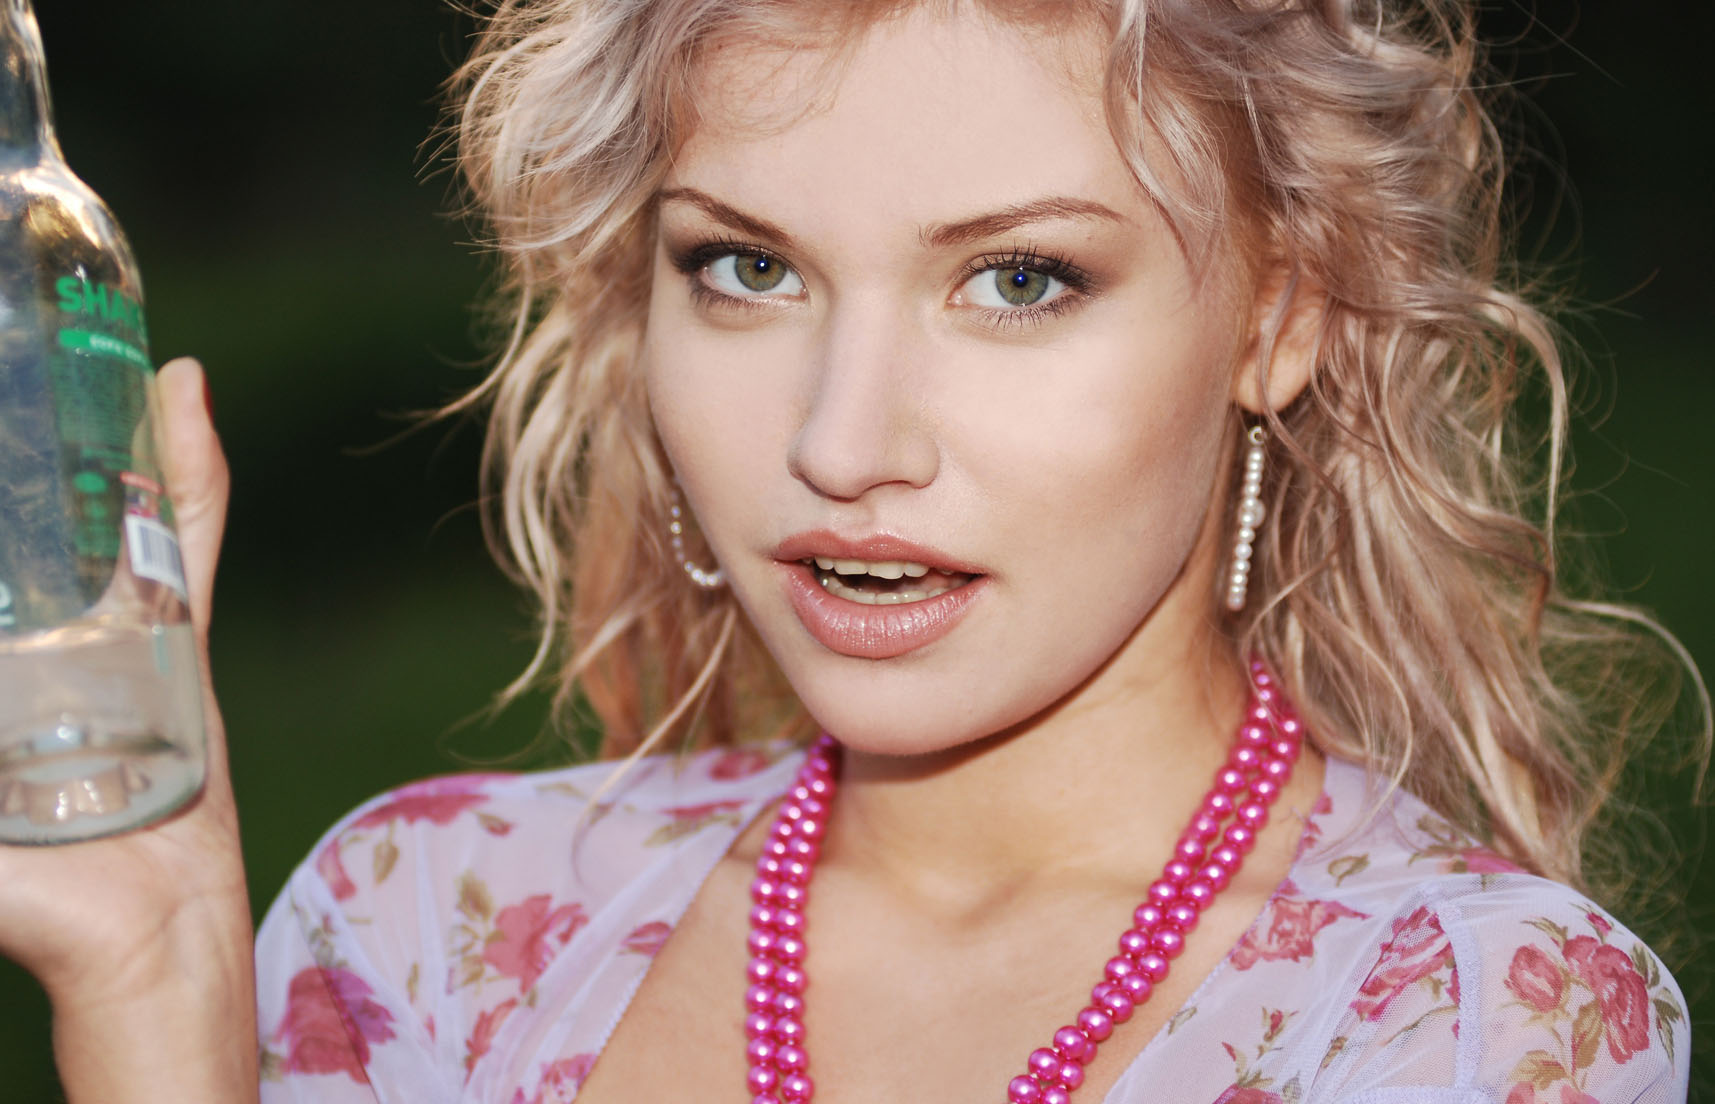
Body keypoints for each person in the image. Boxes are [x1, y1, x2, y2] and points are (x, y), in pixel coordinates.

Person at [0, 0, 1702, 1101]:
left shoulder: (1468, 1023)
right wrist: (158, 999)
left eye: (1019, 279)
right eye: (747, 269)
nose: (840, 440)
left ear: (1283, 317)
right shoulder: (422, 932)